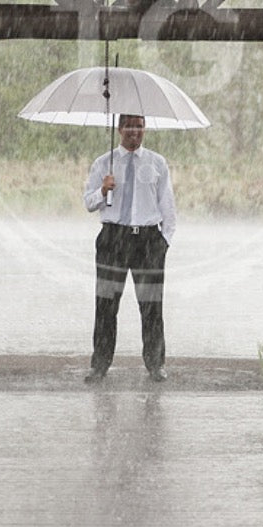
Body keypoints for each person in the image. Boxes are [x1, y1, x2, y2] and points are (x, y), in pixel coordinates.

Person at [82, 113, 176, 383]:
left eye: (139, 126)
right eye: (129, 126)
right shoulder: (104, 163)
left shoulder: (157, 163)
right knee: (106, 305)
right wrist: (103, 190)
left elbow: (167, 206)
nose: (135, 131)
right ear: (119, 128)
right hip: (113, 239)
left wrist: (163, 242)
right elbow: (89, 203)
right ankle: (99, 364)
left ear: (144, 129)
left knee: (151, 306)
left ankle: (155, 364)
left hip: (147, 240)